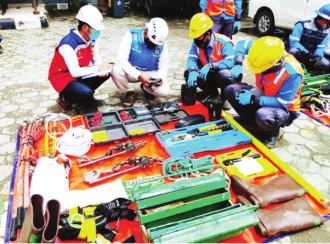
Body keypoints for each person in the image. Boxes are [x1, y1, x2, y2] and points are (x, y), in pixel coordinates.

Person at [225, 37, 304, 148]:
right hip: (264, 93)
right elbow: (242, 43)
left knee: (264, 115)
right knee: (231, 90)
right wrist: (237, 63)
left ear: (275, 64)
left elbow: (282, 102)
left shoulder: (293, 72)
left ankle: (271, 133)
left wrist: (253, 99)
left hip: (284, 108)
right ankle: (251, 122)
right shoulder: (263, 50)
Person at [49, 5, 113, 113]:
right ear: (85, 27)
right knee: (86, 92)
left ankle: (85, 96)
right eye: (96, 29)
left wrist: (102, 70)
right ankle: (65, 99)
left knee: (107, 72)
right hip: (63, 78)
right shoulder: (68, 44)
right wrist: (98, 68)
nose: (98, 32)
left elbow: (97, 60)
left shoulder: (91, 39)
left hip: (80, 72)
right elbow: (75, 72)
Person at [111, 18, 170, 107]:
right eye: (152, 41)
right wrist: (139, 75)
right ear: (146, 32)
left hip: (150, 75)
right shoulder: (131, 35)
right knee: (115, 69)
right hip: (132, 72)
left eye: (156, 44)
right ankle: (128, 92)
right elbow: (121, 59)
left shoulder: (162, 44)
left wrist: (160, 79)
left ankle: (146, 88)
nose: (154, 45)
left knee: (164, 92)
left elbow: (164, 67)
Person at [186, 13, 234, 110]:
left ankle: (226, 98)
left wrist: (211, 66)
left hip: (223, 75)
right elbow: (192, 58)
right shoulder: (196, 42)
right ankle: (212, 92)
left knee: (225, 75)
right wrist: (192, 70)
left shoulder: (224, 42)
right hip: (208, 74)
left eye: (198, 38)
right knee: (188, 73)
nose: (196, 41)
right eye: (194, 38)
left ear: (208, 35)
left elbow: (230, 62)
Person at [286, 4, 330, 72]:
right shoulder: (303, 24)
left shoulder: (327, 30)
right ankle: (290, 70)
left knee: (325, 63)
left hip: (310, 54)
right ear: (324, 20)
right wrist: (306, 52)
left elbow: (321, 47)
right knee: (292, 51)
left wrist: (318, 56)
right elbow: (293, 43)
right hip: (299, 52)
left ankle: (307, 71)